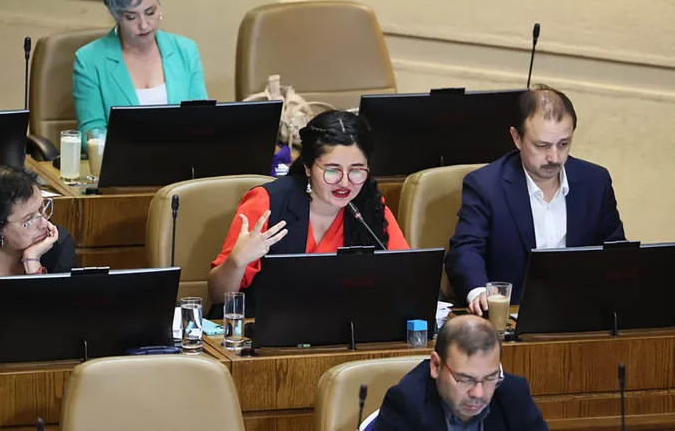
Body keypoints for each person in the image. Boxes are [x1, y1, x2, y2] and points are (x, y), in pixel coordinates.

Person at [445, 84, 625, 315]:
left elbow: (615, 251)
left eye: (563, 144)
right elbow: (466, 249)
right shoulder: (486, 186)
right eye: (542, 146)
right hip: (510, 314)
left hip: (581, 313)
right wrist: (479, 291)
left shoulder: (595, 182)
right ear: (516, 138)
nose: (554, 157)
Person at [208, 110, 410, 308]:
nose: (345, 183)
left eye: (356, 170)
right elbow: (218, 295)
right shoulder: (267, 203)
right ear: (308, 166)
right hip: (266, 325)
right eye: (333, 170)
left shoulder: (370, 206)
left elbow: (406, 277)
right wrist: (236, 262)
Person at [73, 0, 208, 151]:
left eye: (150, 12)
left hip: (183, 162)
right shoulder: (89, 60)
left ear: (159, 5)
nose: (144, 25)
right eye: (131, 17)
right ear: (115, 15)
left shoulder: (186, 51)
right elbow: (91, 133)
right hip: (125, 164)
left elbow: (202, 120)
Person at [373, 315, 548, 431]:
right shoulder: (406, 403)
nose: (478, 393)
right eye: (465, 379)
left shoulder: (514, 394)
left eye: (489, 378)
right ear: (436, 365)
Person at [0, 166, 76, 353]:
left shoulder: (58, 245)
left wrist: (32, 261)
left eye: (42, 209)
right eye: (29, 219)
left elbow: (55, 321)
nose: (44, 223)